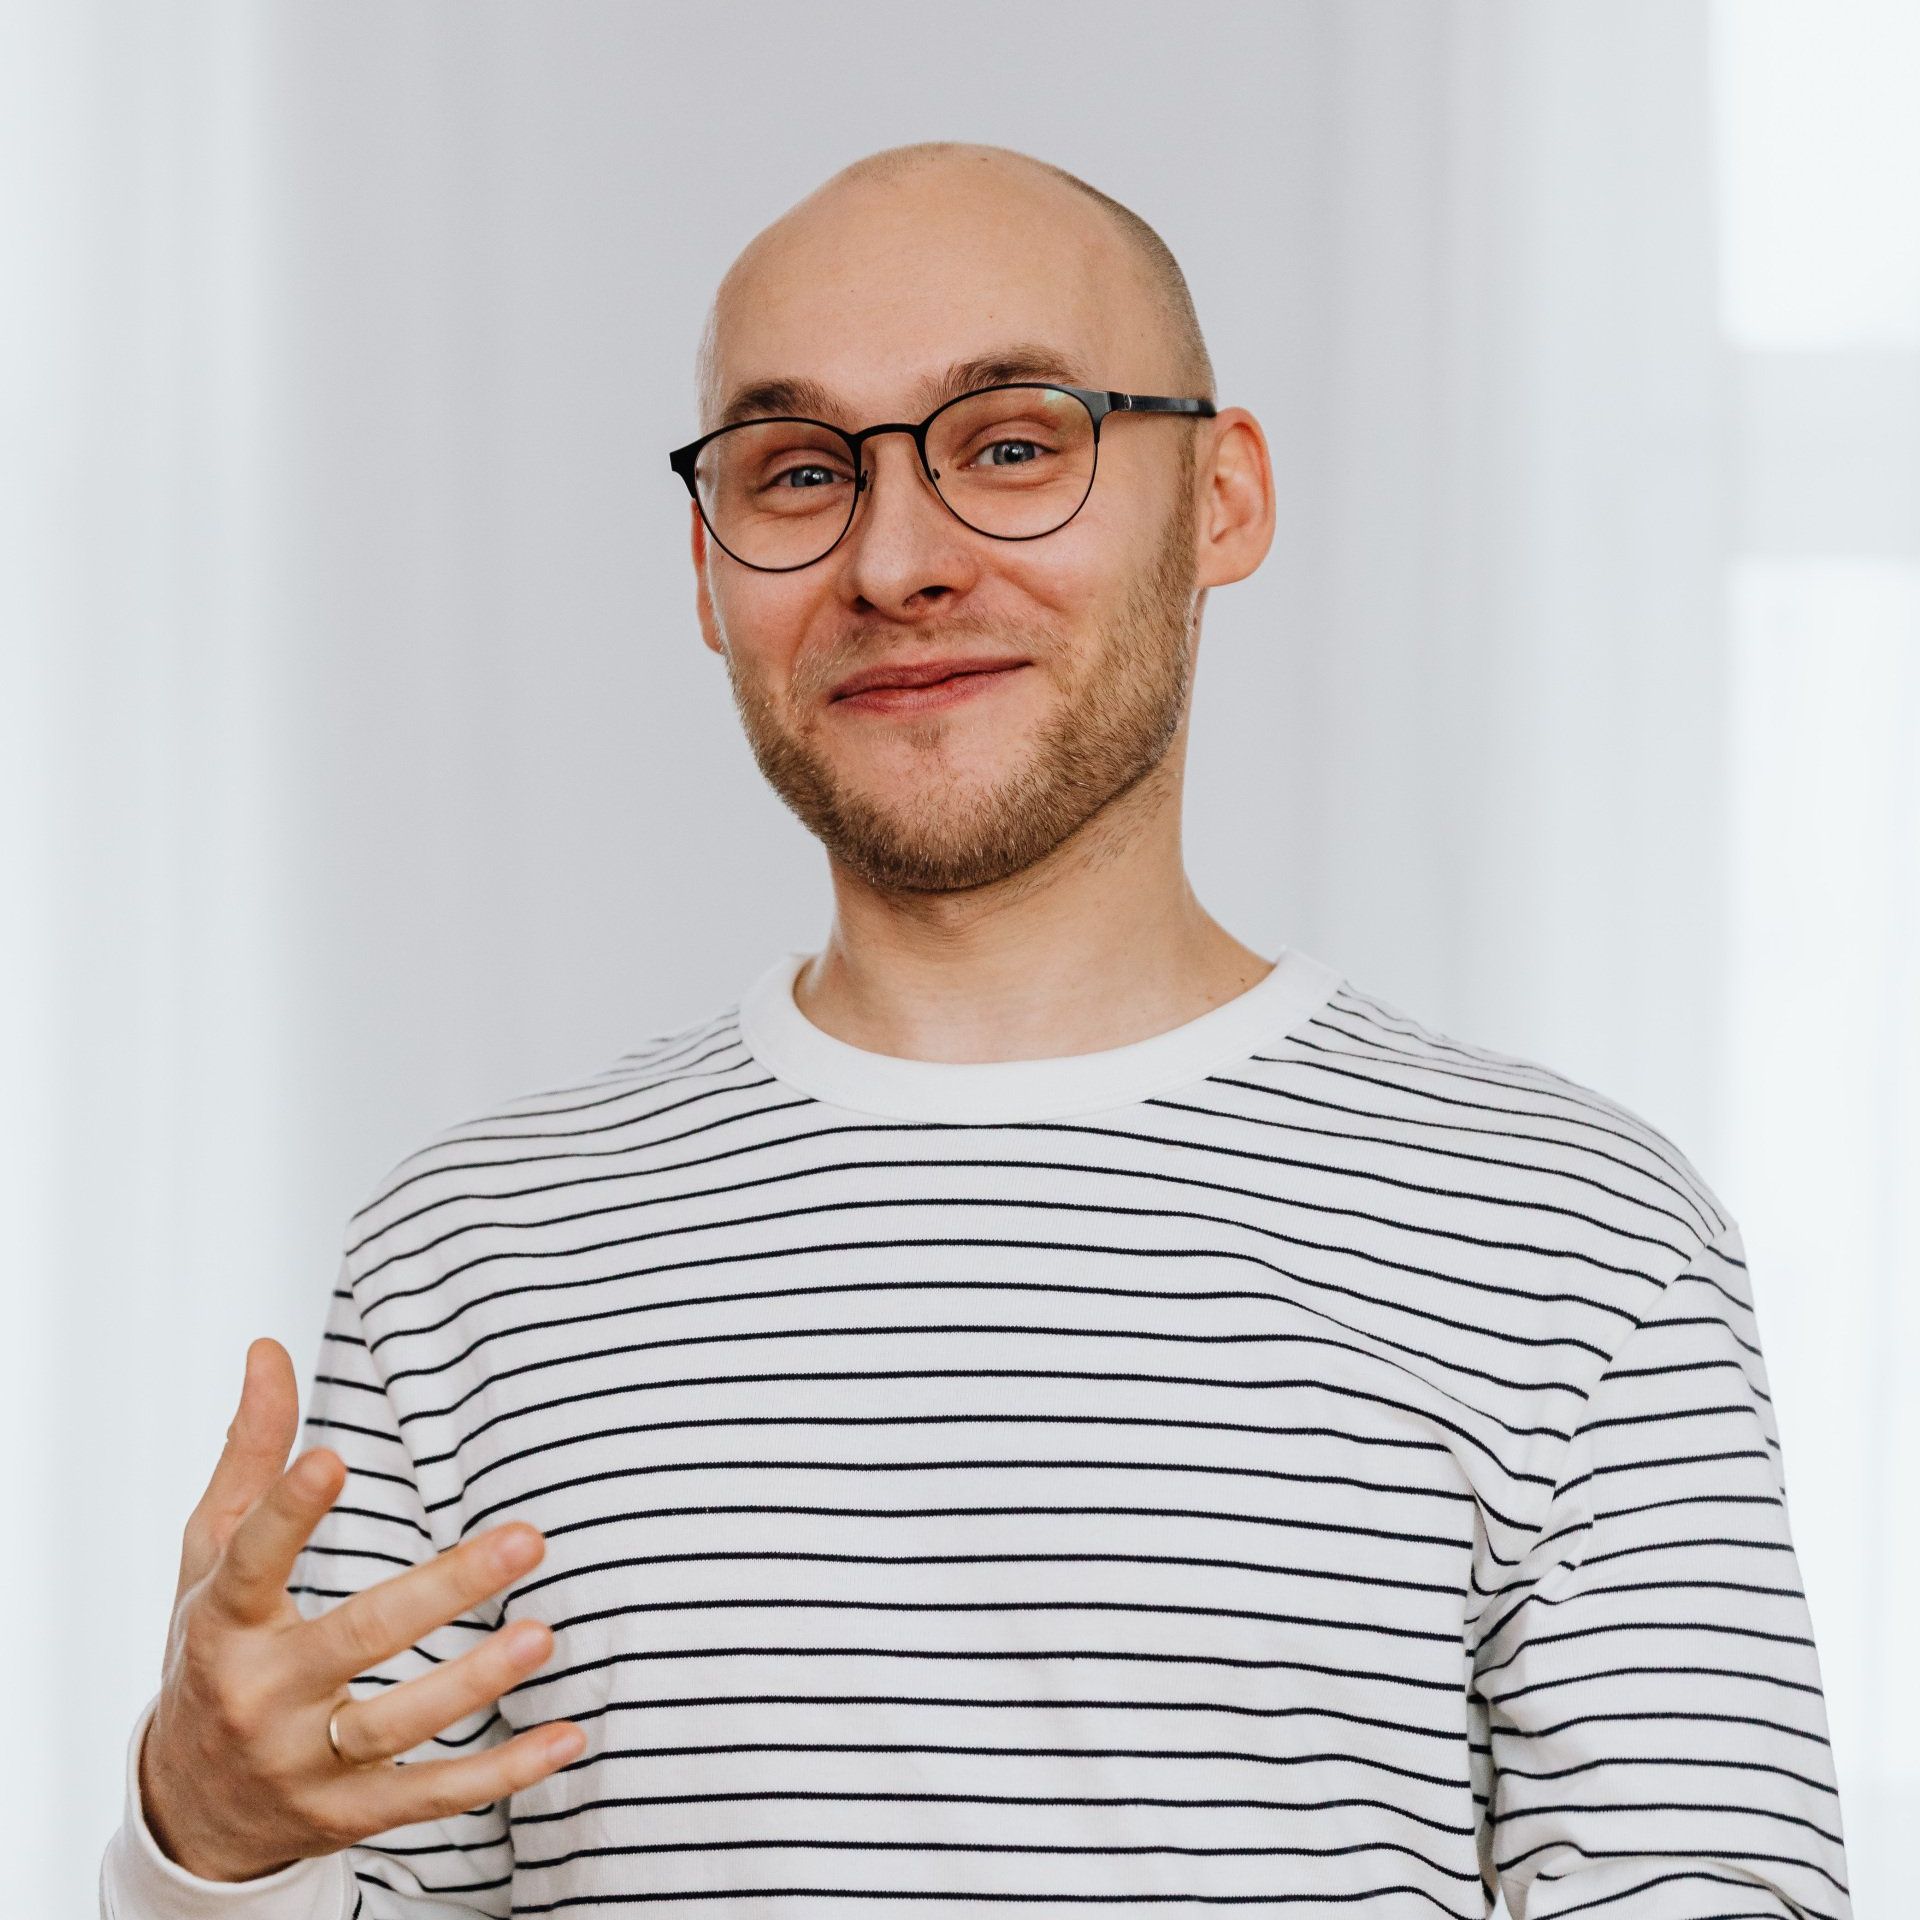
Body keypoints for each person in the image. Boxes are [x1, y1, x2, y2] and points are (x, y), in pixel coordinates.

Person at [100, 140, 1852, 1919]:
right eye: (795, 476)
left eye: (1012, 443)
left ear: (1222, 500)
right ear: (709, 577)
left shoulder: (1573, 1234)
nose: (899, 561)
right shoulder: (470, 1256)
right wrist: (208, 1842)